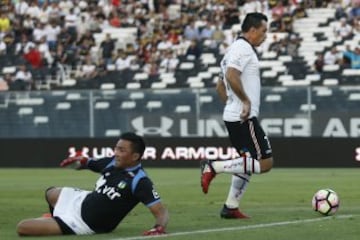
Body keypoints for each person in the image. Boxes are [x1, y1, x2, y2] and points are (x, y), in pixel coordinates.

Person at [16, 132, 169, 236]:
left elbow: (161, 212)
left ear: (135, 156)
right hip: (83, 200)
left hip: (85, 223)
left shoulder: (140, 181)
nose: (116, 153)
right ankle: (55, 215)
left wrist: (158, 227)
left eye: (121, 150)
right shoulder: (111, 163)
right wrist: (78, 162)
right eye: (116, 148)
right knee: (51, 193)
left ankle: (58, 220)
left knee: (23, 228)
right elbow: (88, 163)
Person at [200, 12, 273, 219]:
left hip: (234, 116)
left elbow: (219, 86)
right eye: (263, 31)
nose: (265, 36)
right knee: (265, 163)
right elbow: (231, 76)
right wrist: (245, 101)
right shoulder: (243, 49)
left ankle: (231, 207)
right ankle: (214, 166)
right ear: (252, 30)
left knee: (247, 161)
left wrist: (232, 104)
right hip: (244, 117)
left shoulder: (232, 49)